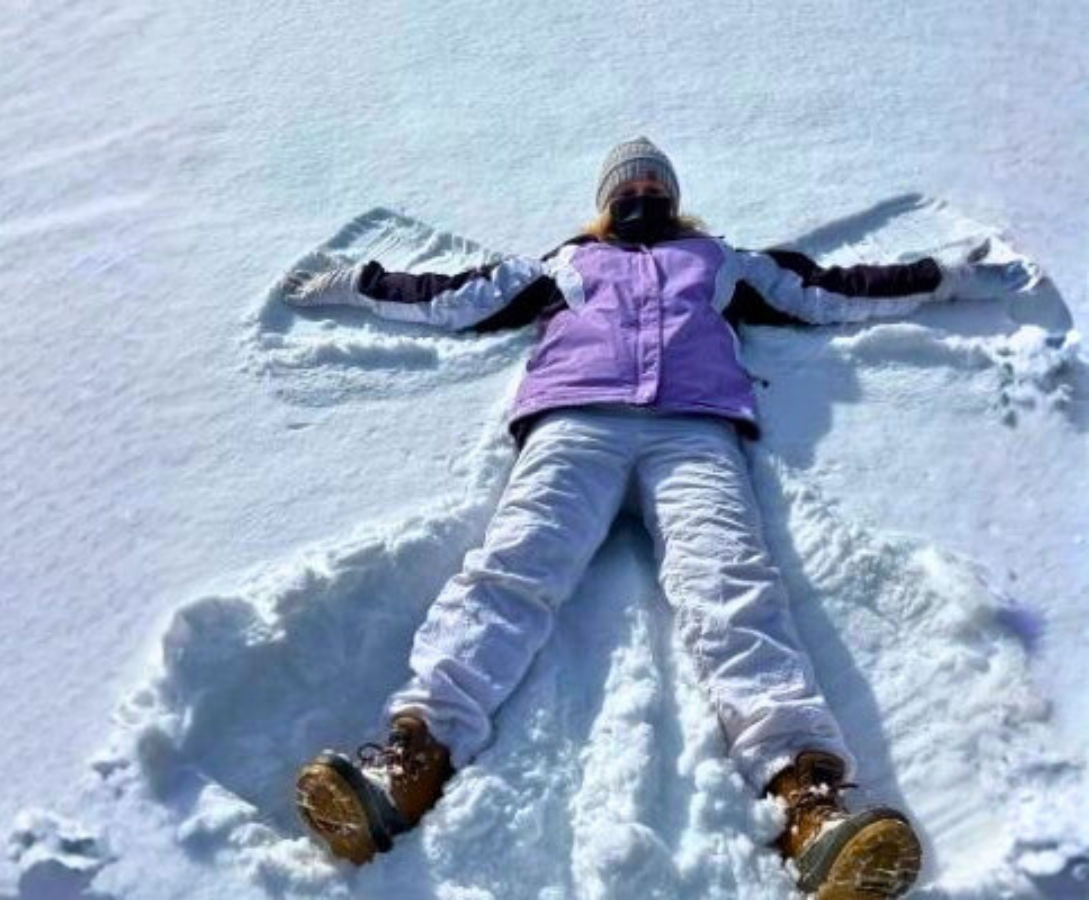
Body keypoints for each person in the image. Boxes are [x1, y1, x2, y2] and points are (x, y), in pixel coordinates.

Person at [280, 137, 1032, 897]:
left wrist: (947, 276)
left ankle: (807, 799)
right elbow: (457, 296)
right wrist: (356, 282)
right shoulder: (564, 264)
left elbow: (834, 290)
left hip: (694, 431)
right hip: (576, 422)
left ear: (673, 194)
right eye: (628, 179)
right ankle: (410, 758)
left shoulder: (722, 261)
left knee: (730, 589)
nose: (642, 184)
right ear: (607, 200)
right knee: (511, 571)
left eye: (654, 177)